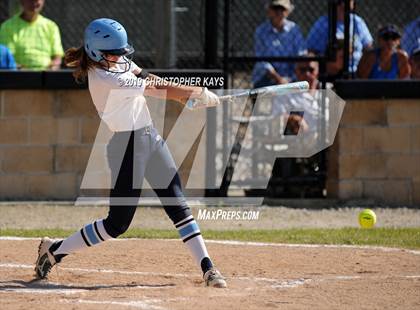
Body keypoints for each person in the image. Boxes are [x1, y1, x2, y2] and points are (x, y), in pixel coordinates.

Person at [34, 18, 227, 288]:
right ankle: (55, 251)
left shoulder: (116, 62)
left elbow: (149, 78)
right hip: (127, 148)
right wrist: (195, 92)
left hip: (151, 138)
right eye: (113, 53)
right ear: (95, 52)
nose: (119, 57)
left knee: (178, 205)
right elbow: (156, 90)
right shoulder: (106, 78)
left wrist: (188, 96)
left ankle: (208, 268)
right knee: (117, 225)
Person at [306, 0, 373, 75]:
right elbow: (311, 52)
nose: (343, 5)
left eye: (346, 1)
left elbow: (368, 49)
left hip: (357, 72)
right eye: (339, 1)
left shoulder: (358, 22)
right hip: (331, 73)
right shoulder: (322, 23)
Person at [252, 0, 306, 88]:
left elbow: (301, 55)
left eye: (282, 9)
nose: (279, 12)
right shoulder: (261, 31)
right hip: (267, 78)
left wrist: (291, 79)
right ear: (269, 10)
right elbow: (262, 61)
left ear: (288, 11)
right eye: (275, 8)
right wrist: (279, 79)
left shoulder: (294, 30)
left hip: (292, 76)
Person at [0, 0, 63, 70]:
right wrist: (25, 73)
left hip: (47, 77)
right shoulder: (7, 26)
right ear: (21, 1)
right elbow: (6, 58)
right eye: (30, 0)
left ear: (43, 1)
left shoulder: (51, 26)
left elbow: (57, 57)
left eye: (36, 0)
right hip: (18, 77)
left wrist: (51, 70)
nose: (33, 3)